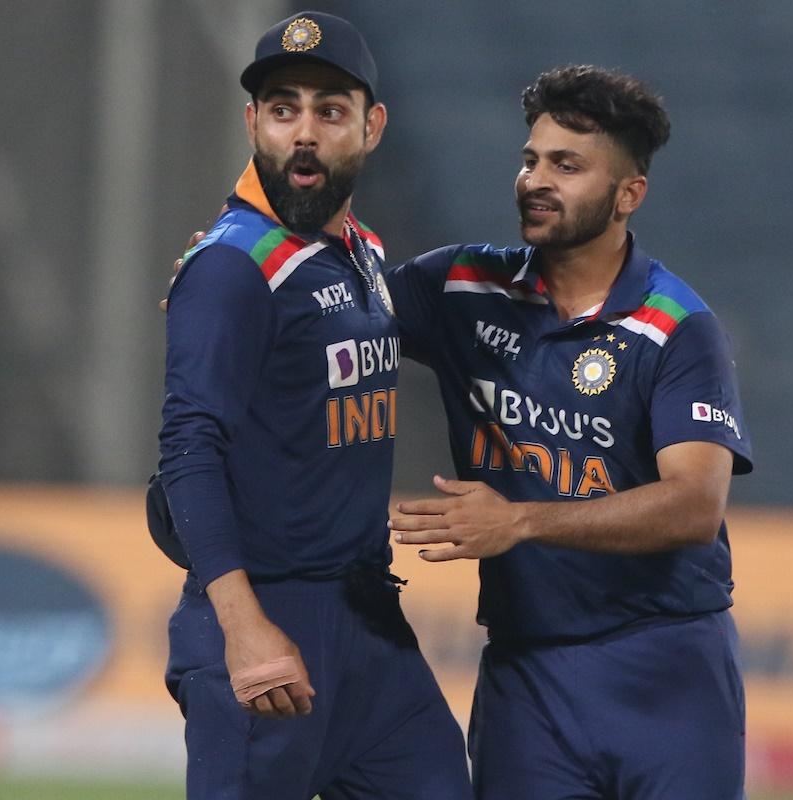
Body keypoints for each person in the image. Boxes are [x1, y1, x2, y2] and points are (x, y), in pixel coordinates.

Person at [385, 65, 754, 800]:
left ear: (628, 195)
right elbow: (330, 310)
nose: (535, 180)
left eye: (567, 165)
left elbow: (693, 506)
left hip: (668, 670)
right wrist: (240, 262)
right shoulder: (462, 287)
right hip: (529, 678)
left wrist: (518, 520)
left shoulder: (676, 327)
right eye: (531, 159)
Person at [155, 11, 471, 799]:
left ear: (373, 127)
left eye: (330, 111)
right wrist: (243, 626)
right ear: (253, 121)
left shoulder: (359, 252)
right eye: (283, 107)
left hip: (366, 624)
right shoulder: (234, 267)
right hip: (268, 616)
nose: (304, 131)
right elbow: (189, 449)